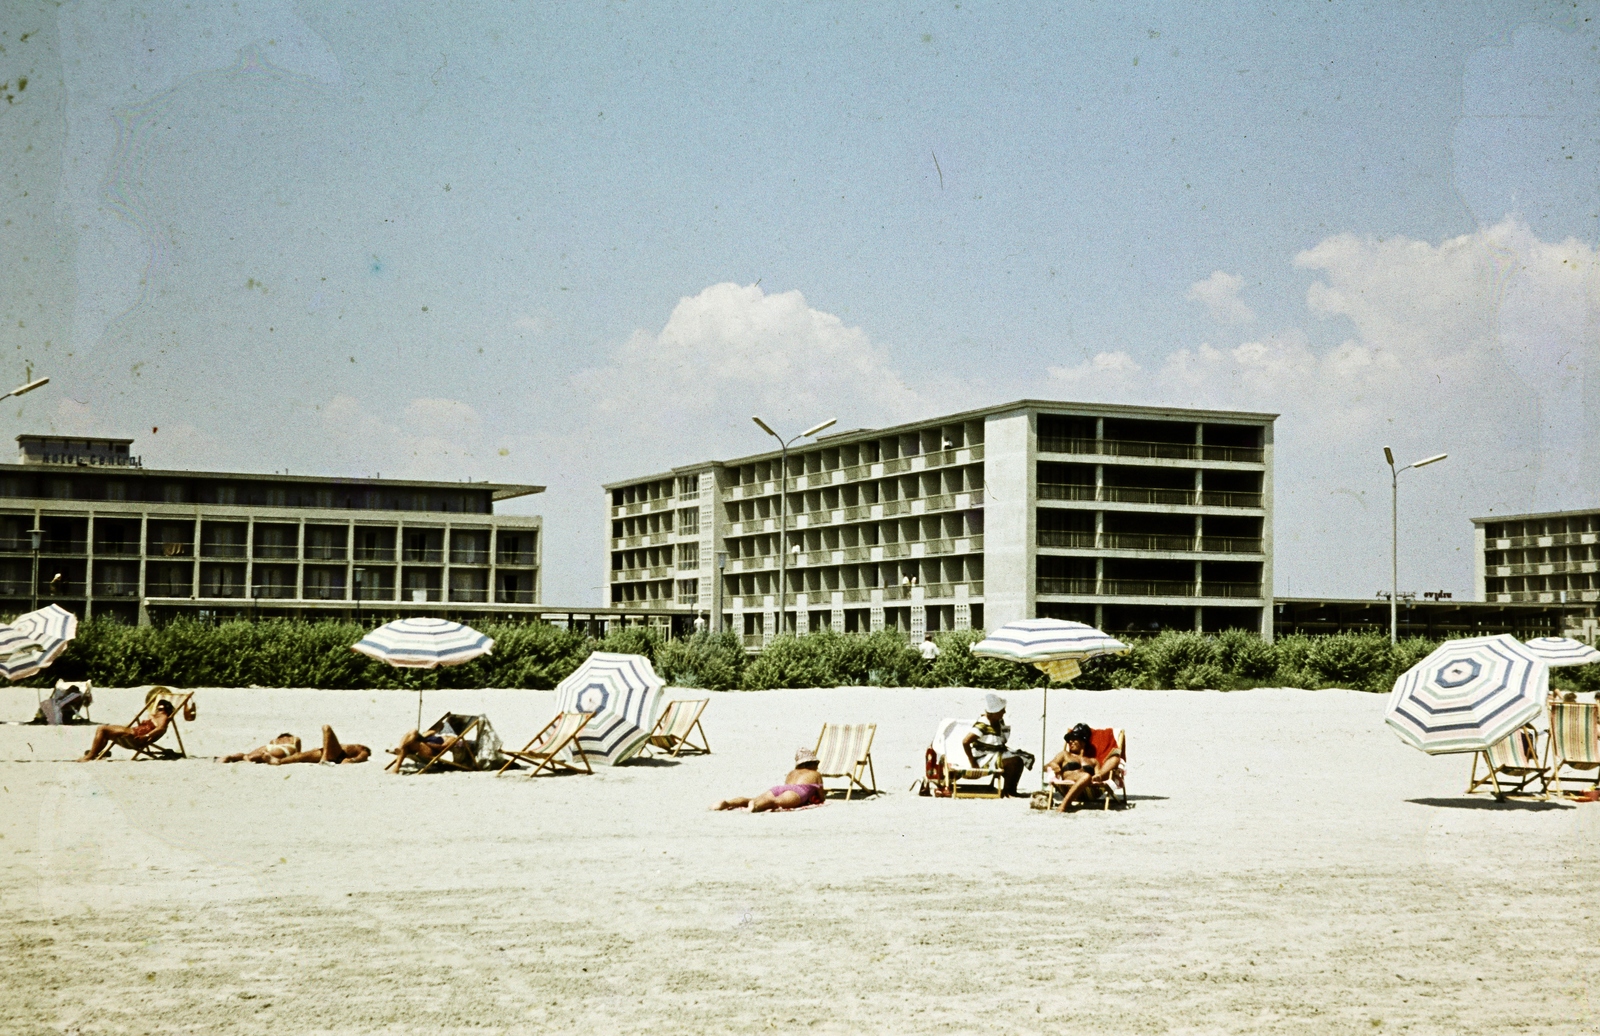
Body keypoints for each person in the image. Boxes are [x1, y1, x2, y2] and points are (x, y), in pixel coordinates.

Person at [961, 693, 1034, 797]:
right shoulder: (983, 724)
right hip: (984, 757)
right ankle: (1009, 792)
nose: (1004, 712)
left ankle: (1010, 790)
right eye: (1001, 710)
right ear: (993, 713)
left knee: (1021, 757)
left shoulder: (998, 721)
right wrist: (972, 761)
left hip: (994, 754)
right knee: (1015, 761)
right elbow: (965, 742)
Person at [713, 747, 826, 812]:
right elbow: (821, 796)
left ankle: (727, 803)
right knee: (775, 802)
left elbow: (787, 787)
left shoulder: (792, 773)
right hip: (798, 791)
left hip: (780, 789)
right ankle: (755, 807)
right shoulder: (815, 774)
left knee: (753, 799)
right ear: (813, 763)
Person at [1044, 723, 1124, 812]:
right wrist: (1054, 766)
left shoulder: (1093, 761)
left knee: (1116, 758)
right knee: (1086, 776)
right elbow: (1046, 766)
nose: (1070, 741)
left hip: (1090, 790)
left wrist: (1099, 775)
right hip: (1069, 785)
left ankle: (1064, 805)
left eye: (1074, 739)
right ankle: (1063, 805)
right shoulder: (1064, 754)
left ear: (1083, 741)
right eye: (1069, 739)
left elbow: (1097, 776)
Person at [79, 699, 175, 761]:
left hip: (134, 735)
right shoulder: (156, 716)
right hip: (132, 731)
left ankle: (91, 755)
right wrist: (152, 716)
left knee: (102, 728)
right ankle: (95, 752)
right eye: (158, 708)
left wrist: (146, 736)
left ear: (166, 709)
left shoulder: (163, 717)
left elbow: (161, 729)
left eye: (161, 708)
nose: (158, 710)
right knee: (104, 731)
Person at [388, 716, 460, 772]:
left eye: (448, 722)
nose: (446, 724)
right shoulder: (437, 732)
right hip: (422, 743)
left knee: (411, 744)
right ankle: (400, 749)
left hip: (429, 751)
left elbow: (441, 747)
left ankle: (397, 762)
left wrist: (427, 743)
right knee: (413, 731)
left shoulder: (452, 737)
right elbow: (422, 736)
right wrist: (429, 733)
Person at [272, 726, 371, 765]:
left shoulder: (363, 750)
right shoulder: (356, 750)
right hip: (335, 754)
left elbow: (362, 756)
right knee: (300, 756)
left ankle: (325, 758)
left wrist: (352, 761)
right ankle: (278, 761)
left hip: (337, 753)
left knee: (326, 728)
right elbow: (351, 760)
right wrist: (350, 761)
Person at [220, 733, 301, 764]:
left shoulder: (274, 740)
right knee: (263, 756)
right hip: (285, 748)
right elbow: (298, 753)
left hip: (268, 746)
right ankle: (263, 757)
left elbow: (270, 746)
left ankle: (231, 757)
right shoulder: (295, 739)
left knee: (246, 755)